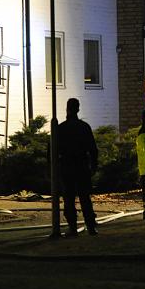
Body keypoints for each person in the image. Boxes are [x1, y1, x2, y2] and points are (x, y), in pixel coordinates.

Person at [57, 98, 99, 236]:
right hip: (82, 166)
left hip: (67, 166)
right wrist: (94, 165)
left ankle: (72, 227)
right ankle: (91, 226)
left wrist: (53, 169)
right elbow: (93, 148)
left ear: (67, 109)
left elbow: (53, 150)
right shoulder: (84, 127)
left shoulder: (61, 128)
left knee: (69, 198)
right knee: (85, 198)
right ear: (78, 109)